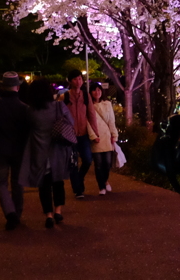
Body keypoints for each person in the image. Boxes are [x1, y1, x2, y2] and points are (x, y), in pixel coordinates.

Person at [19, 77, 74, 228]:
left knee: (44, 184)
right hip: (57, 150)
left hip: (39, 151)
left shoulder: (31, 111)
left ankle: (48, 215)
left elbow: (26, 128)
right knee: (58, 182)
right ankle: (58, 211)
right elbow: (71, 123)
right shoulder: (59, 106)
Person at [0, 72, 31, 230]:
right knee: (17, 183)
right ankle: (17, 213)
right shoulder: (24, 108)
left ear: (3, 85)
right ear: (17, 86)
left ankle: (10, 214)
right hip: (19, 152)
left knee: (1, 183)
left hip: (0, 151)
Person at [64, 69, 99, 199]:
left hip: (84, 134)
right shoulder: (65, 96)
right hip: (70, 135)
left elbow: (91, 115)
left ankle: (78, 179)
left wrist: (95, 133)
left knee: (88, 160)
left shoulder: (86, 95)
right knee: (73, 163)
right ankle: (78, 190)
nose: (78, 81)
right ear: (70, 81)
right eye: (75, 79)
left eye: (80, 78)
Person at [87, 82, 118, 195]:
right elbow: (88, 122)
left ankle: (105, 181)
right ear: (90, 92)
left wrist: (114, 135)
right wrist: (93, 136)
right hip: (97, 137)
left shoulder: (107, 104)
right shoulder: (88, 106)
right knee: (98, 164)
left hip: (107, 136)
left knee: (107, 163)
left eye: (99, 89)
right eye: (94, 90)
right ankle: (101, 186)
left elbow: (111, 121)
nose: (97, 92)